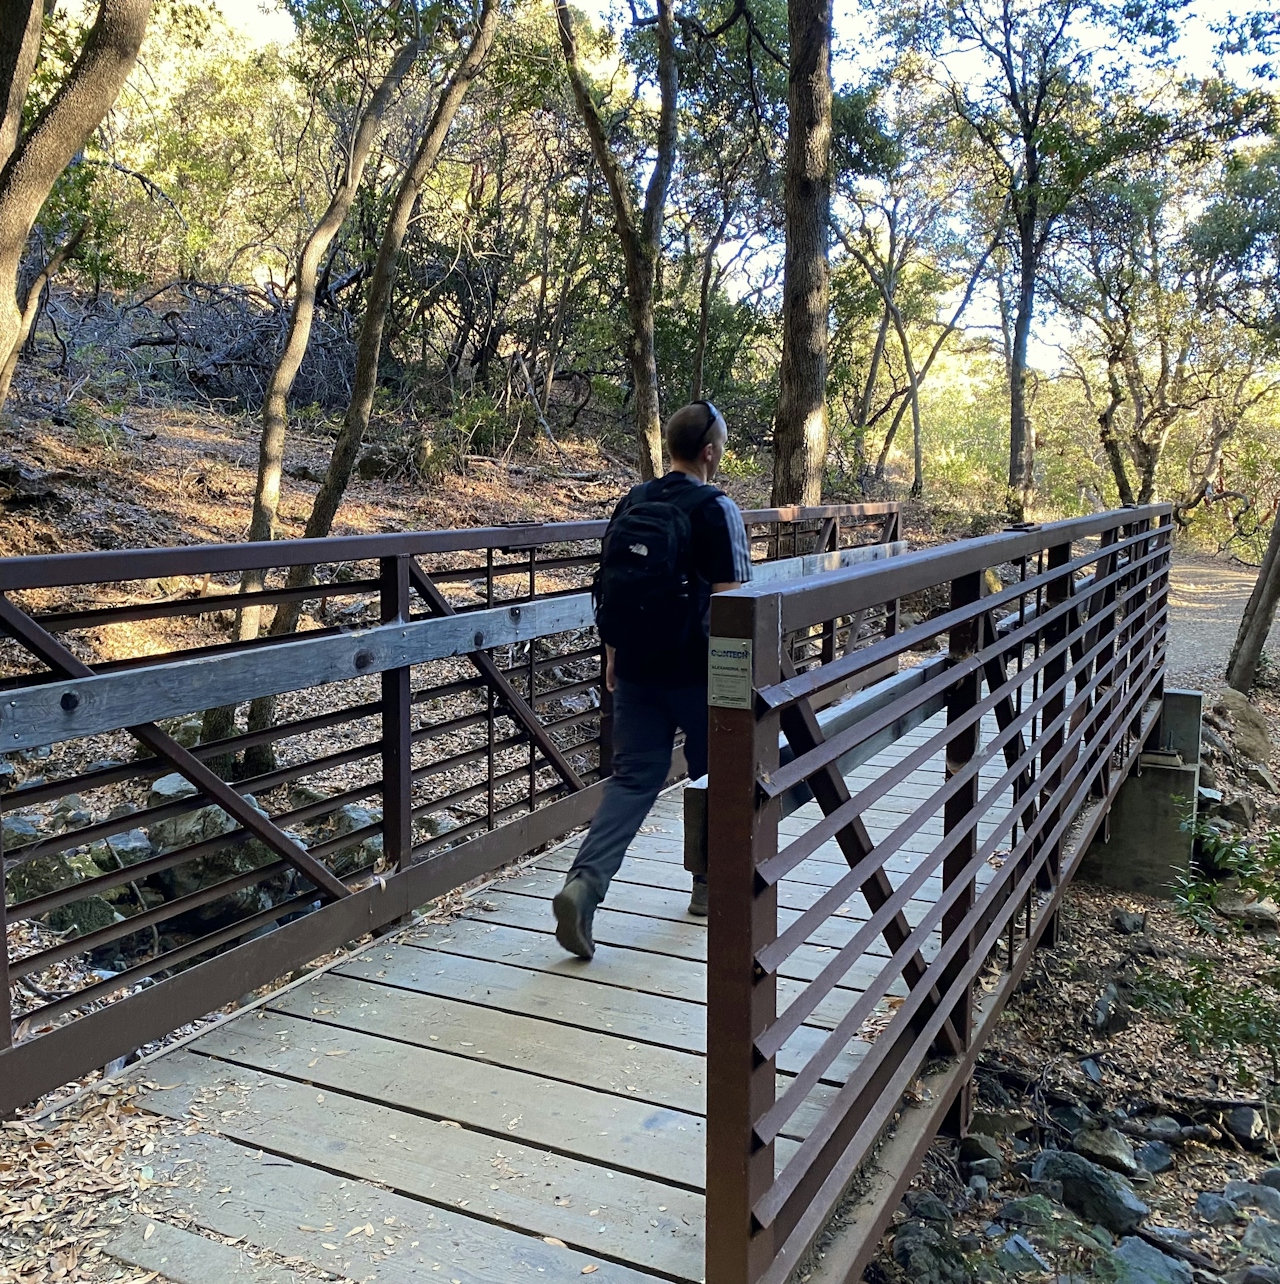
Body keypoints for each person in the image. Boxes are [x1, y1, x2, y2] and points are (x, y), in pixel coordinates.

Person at [552, 400, 752, 960]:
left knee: (634, 779)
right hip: (698, 672)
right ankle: (709, 888)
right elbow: (733, 605)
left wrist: (614, 655)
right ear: (709, 452)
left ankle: (584, 886)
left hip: (637, 665)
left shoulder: (634, 501)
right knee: (718, 776)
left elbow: (613, 586)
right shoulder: (718, 509)